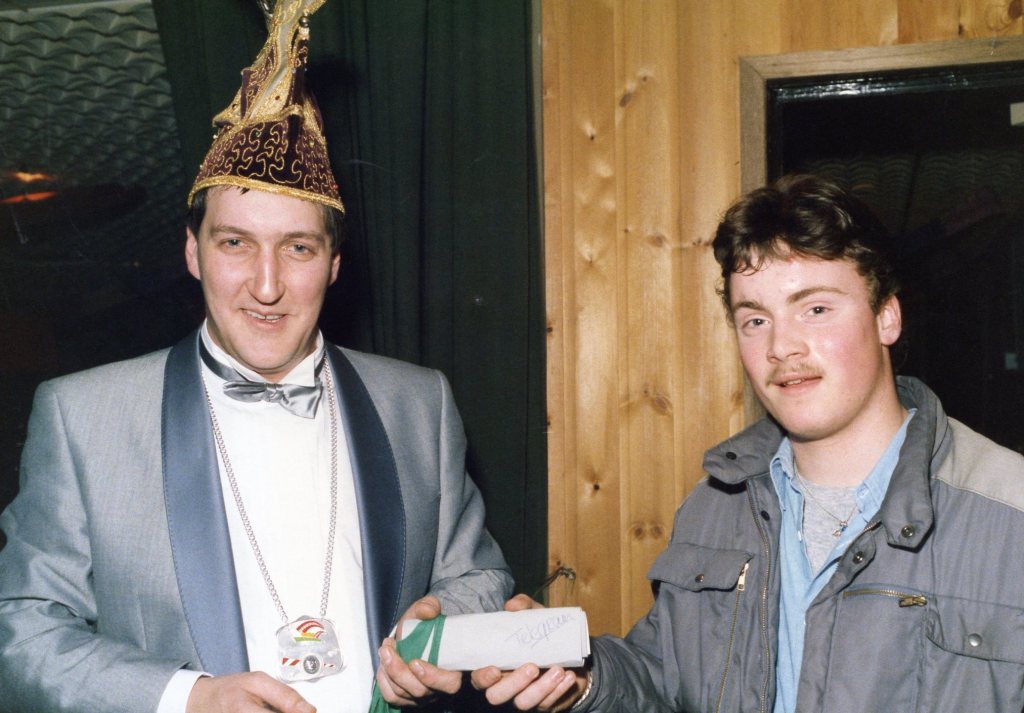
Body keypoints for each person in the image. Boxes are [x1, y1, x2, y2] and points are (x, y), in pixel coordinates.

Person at [0, 2, 511, 712]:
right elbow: (20, 633)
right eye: (236, 243)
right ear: (193, 252)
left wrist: (439, 625)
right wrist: (187, 698)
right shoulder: (82, 416)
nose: (266, 286)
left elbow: (479, 576)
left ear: (334, 264)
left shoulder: (419, 403)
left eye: (298, 247)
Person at [465, 174, 1024, 712]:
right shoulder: (716, 506)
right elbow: (665, 678)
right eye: (755, 320)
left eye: (816, 309)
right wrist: (581, 677)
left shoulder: (1010, 517)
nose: (782, 346)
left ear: (886, 317)